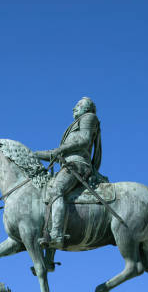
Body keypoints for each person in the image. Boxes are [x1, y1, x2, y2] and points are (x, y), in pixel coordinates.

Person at [35, 97, 102, 248]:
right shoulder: (75, 125)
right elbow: (56, 153)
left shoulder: (89, 117)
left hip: (78, 164)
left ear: (87, 108)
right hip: (68, 164)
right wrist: (34, 154)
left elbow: (84, 140)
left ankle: (57, 233)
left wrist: (61, 149)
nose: (74, 109)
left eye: (78, 105)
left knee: (56, 190)